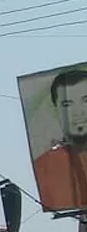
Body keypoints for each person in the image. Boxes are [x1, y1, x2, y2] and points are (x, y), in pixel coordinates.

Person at [31, 69, 87, 211]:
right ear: (55, 109)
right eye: (67, 104)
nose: (78, 113)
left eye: (85, 101)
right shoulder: (44, 165)